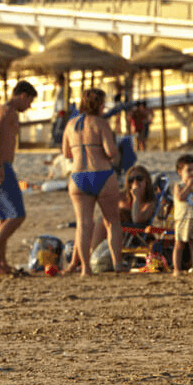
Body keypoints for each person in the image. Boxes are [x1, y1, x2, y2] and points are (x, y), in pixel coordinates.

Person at [0, 80, 38, 276]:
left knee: (2, 217)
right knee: (17, 215)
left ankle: (0, 262)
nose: (29, 107)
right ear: (23, 95)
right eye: (29, 102)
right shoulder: (7, 111)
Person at [61, 88, 122, 277]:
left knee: (83, 223)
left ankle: (85, 268)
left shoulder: (70, 124)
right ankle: (117, 264)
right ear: (100, 105)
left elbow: (66, 153)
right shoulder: (101, 124)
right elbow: (111, 151)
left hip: (78, 177)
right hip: (102, 173)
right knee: (112, 221)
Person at [92, 164, 156, 251]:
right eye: (131, 180)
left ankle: (91, 255)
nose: (135, 183)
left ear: (146, 180)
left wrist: (136, 198)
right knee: (89, 224)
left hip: (135, 235)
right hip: (119, 232)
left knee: (101, 222)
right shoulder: (123, 196)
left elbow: (136, 220)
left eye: (139, 179)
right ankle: (83, 258)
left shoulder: (149, 202)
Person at [172, 154, 193, 276]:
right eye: (189, 170)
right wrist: (188, 186)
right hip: (183, 218)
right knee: (180, 243)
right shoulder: (179, 186)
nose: (192, 173)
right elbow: (180, 197)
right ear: (180, 172)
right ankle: (176, 268)